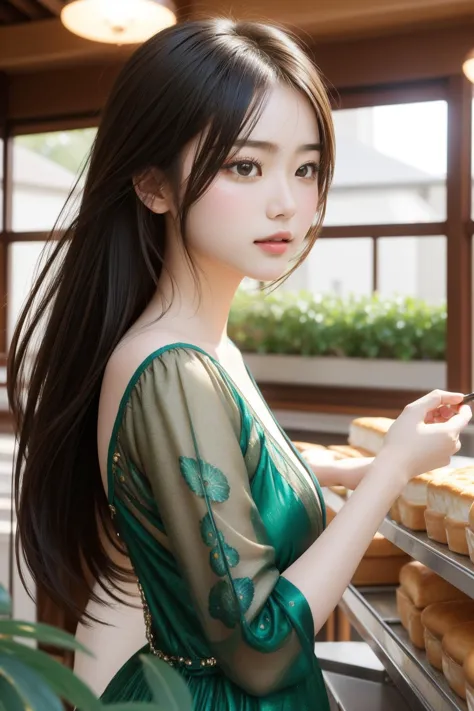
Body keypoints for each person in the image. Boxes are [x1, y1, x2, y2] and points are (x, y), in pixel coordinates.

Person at [7, 17, 471, 711]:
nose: (288, 201)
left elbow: (225, 479)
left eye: (306, 167)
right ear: (153, 184)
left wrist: (352, 467)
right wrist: (393, 472)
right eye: (245, 166)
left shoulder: (205, 347)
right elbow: (259, 648)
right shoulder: (173, 373)